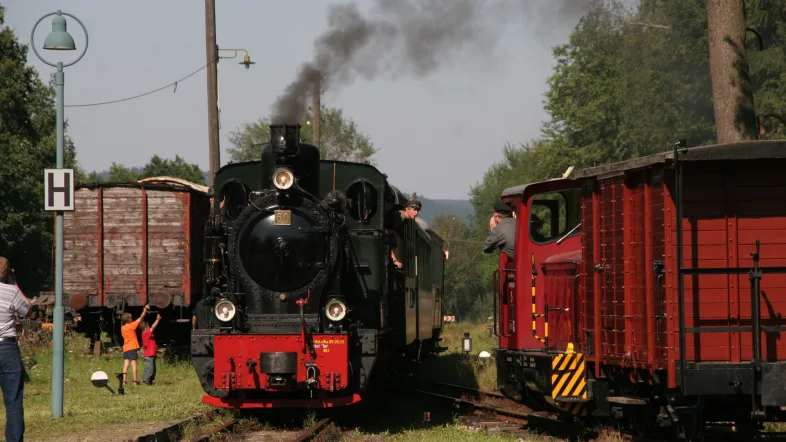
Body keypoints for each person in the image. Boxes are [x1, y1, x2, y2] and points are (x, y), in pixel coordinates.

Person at [0, 257, 35, 442]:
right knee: (13, 401)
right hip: (6, 347)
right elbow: (27, 311)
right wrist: (12, 284)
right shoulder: (11, 291)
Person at [384, 200, 422, 269]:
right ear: (407, 209)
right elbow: (385, 238)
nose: (416, 213)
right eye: (414, 210)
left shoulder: (405, 219)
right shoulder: (399, 217)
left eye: (418, 211)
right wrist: (394, 260)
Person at [121, 304, 150, 386]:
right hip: (132, 347)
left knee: (126, 364)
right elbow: (141, 317)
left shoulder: (122, 328)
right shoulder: (132, 325)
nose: (132, 318)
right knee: (134, 364)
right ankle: (135, 381)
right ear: (128, 319)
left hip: (125, 347)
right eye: (130, 317)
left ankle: (124, 381)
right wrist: (145, 309)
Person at [140, 313, 161, 385]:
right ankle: (145, 381)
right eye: (148, 326)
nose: (149, 327)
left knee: (153, 369)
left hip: (151, 355)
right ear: (145, 328)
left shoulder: (147, 334)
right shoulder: (145, 334)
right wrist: (157, 320)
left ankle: (150, 381)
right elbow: (153, 327)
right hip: (149, 355)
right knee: (149, 369)